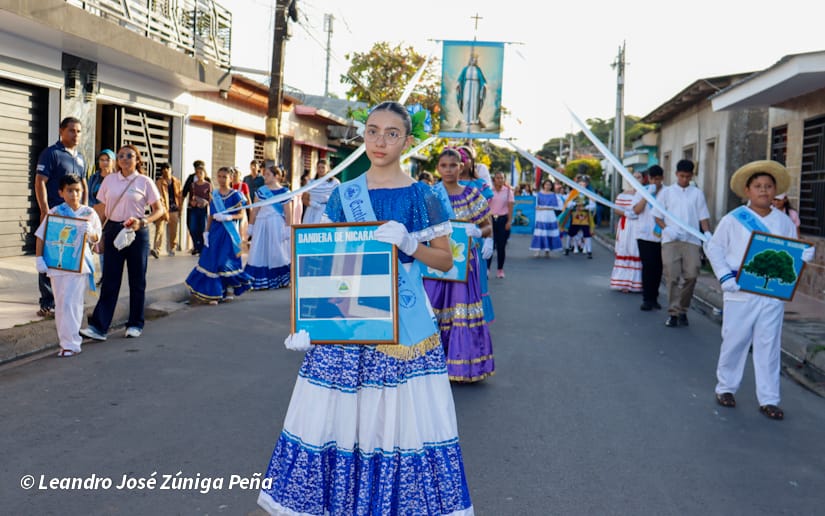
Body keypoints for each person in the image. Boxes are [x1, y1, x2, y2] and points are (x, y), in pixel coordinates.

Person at [257, 102, 473, 516]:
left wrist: (411, 245)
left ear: (408, 141)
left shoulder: (424, 196)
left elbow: (447, 260)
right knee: (342, 423)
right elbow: (331, 261)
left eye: (392, 133)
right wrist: (309, 323)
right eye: (373, 131)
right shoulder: (343, 194)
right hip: (350, 325)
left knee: (395, 424)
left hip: (403, 330)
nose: (380, 141)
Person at [705, 160, 815, 420]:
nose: (764, 191)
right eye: (758, 186)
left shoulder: (784, 221)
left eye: (768, 186)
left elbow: (790, 252)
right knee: (735, 341)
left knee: (769, 344)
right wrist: (723, 277)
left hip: (772, 293)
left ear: (775, 190)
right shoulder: (733, 219)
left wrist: (803, 255)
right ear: (748, 191)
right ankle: (726, 388)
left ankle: (769, 399)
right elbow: (715, 248)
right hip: (740, 288)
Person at [79, 145, 165, 341]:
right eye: (121, 156)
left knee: (137, 280)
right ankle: (99, 327)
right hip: (113, 230)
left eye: (129, 156)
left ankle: (135, 323)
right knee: (110, 279)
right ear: (117, 160)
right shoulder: (109, 180)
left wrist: (143, 221)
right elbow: (100, 208)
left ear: (137, 160)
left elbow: (159, 210)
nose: (125, 159)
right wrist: (97, 235)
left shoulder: (145, 181)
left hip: (136, 231)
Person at [424, 147, 494, 382]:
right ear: (438, 168)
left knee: (461, 312)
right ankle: (429, 366)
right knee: (433, 310)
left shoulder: (472, 195)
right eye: (443, 166)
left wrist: (480, 232)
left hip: (464, 266)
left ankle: (462, 367)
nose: (448, 170)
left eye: (452, 165)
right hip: (434, 265)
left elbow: (487, 225)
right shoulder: (430, 195)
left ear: (461, 167)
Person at [34, 174, 101, 357]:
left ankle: (72, 343)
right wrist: (39, 258)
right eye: (70, 191)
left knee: (72, 303)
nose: (74, 194)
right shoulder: (55, 212)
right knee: (62, 303)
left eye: (77, 190)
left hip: (79, 264)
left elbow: (98, 239)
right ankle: (65, 342)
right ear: (61, 192)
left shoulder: (89, 213)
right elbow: (41, 236)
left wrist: (92, 232)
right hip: (58, 264)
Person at [34, 117, 89, 319]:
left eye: (79, 131)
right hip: (56, 215)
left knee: (70, 255)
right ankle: (47, 302)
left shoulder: (81, 158)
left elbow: (82, 184)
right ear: (61, 131)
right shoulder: (51, 154)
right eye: (72, 131)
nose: (76, 135)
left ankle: (65, 298)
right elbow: (40, 181)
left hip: (76, 217)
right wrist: (45, 209)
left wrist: (85, 209)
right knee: (50, 254)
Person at [653, 159, 711, 328]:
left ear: (692, 176)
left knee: (691, 275)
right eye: (681, 176)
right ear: (676, 174)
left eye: (687, 176)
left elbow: (703, 216)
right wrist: (666, 229)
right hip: (671, 240)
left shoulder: (697, 193)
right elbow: (657, 215)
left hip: (691, 240)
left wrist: (707, 234)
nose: (684, 179)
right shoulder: (667, 192)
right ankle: (673, 313)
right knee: (672, 276)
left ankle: (683, 309)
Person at [185, 166, 251, 303]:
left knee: (224, 261)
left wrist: (228, 217)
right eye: (219, 176)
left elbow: (241, 214)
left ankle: (228, 289)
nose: (221, 179)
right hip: (215, 231)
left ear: (231, 178)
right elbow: (210, 215)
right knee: (211, 261)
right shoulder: (214, 194)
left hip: (229, 233)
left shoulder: (236, 195)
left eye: (224, 177)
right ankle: (215, 292)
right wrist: (206, 232)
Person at [244, 165, 291, 290]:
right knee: (258, 251)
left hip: (276, 224)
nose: (265, 177)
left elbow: (288, 212)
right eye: (264, 174)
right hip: (261, 224)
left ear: (276, 176)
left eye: (268, 174)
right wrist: (251, 226)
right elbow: (255, 210)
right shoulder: (261, 190)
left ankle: (280, 279)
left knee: (276, 251)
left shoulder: (284, 192)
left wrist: (287, 229)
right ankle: (258, 280)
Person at [633, 165, 665, 311]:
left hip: (661, 235)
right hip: (644, 235)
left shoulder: (667, 192)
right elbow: (636, 210)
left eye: (658, 179)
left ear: (662, 179)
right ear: (649, 179)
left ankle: (654, 298)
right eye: (653, 179)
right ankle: (646, 298)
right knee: (647, 267)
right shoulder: (643, 191)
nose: (655, 182)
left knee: (658, 267)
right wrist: (646, 197)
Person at [609, 172, 643, 292]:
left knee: (637, 251)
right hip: (626, 225)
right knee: (626, 248)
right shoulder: (622, 195)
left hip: (640, 225)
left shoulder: (645, 194)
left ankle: (637, 282)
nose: (636, 179)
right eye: (634, 177)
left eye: (639, 177)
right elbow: (617, 210)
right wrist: (627, 213)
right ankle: (624, 282)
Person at [488, 171, 515, 278]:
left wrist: (509, 221)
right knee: (489, 244)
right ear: (494, 179)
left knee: (501, 246)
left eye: (502, 178)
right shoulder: (489, 190)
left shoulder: (508, 191)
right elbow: (485, 206)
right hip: (490, 219)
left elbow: (510, 207)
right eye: (497, 178)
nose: (500, 180)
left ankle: (500, 269)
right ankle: (487, 268)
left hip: (503, 219)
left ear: (504, 179)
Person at [152, 163, 182, 258]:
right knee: (159, 229)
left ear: (171, 169)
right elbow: (160, 197)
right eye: (163, 168)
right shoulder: (159, 182)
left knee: (174, 230)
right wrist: (164, 211)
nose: (165, 170)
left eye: (167, 168)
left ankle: (172, 248)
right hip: (162, 209)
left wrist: (180, 209)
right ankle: (157, 249)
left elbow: (180, 196)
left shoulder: (177, 181)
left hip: (174, 209)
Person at [562, 181, 596, 258]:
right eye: (580, 184)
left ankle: (589, 251)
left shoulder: (589, 195)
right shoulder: (573, 194)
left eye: (584, 184)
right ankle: (567, 248)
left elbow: (593, 205)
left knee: (587, 234)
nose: (582, 186)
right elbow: (568, 204)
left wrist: (585, 207)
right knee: (570, 233)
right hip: (575, 216)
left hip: (585, 217)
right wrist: (575, 204)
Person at [530, 180, 563, 257]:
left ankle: (547, 250)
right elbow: (536, 206)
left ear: (551, 186)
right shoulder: (539, 194)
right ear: (543, 185)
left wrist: (545, 208)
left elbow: (558, 206)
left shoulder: (554, 195)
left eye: (549, 185)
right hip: (541, 215)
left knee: (549, 232)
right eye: (546, 184)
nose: (547, 186)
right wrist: (543, 208)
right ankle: (537, 250)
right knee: (540, 232)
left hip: (550, 216)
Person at [301, 158, 340, 224]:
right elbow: (304, 198)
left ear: (327, 168)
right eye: (319, 167)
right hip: (312, 211)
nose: (320, 170)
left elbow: (338, 199)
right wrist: (312, 204)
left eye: (323, 167)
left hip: (327, 212)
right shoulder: (311, 182)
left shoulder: (334, 182)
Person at [184, 162, 211, 255]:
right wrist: (192, 202)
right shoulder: (193, 184)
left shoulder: (208, 184)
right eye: (197, 172)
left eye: (201, 172)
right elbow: (188, 194)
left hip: (203, 209)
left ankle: (202, 248)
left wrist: (206, 202)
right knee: (193, 228)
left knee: (203, 228)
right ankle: (196, 245)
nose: (199, 174)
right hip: (194, 208)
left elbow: (211, 197)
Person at [456, 52, 487, 129]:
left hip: (476, 85)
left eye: (475, 60)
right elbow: (460, 77)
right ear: (470, 60)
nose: (474, 61)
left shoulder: (478, 69)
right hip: (467, 85)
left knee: (474, 101)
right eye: (472, 59)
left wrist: (484, 84)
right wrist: (458, 83)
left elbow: (482, 79)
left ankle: (474, 119)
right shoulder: (465, 69)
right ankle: (466, 118)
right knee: (466, 101)